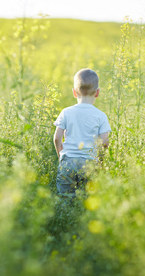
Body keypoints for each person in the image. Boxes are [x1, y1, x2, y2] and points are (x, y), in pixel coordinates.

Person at [53, 68, 111, 200]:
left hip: (68, 161)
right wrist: (100, 162)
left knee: (65, 197)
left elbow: (57, 138)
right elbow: (105, 142)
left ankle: (65, 217)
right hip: (90, 162)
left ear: (74, 92)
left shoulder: (66, 112)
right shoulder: (101, 116)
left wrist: (61, 156)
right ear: (97, 93)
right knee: (88, 197)